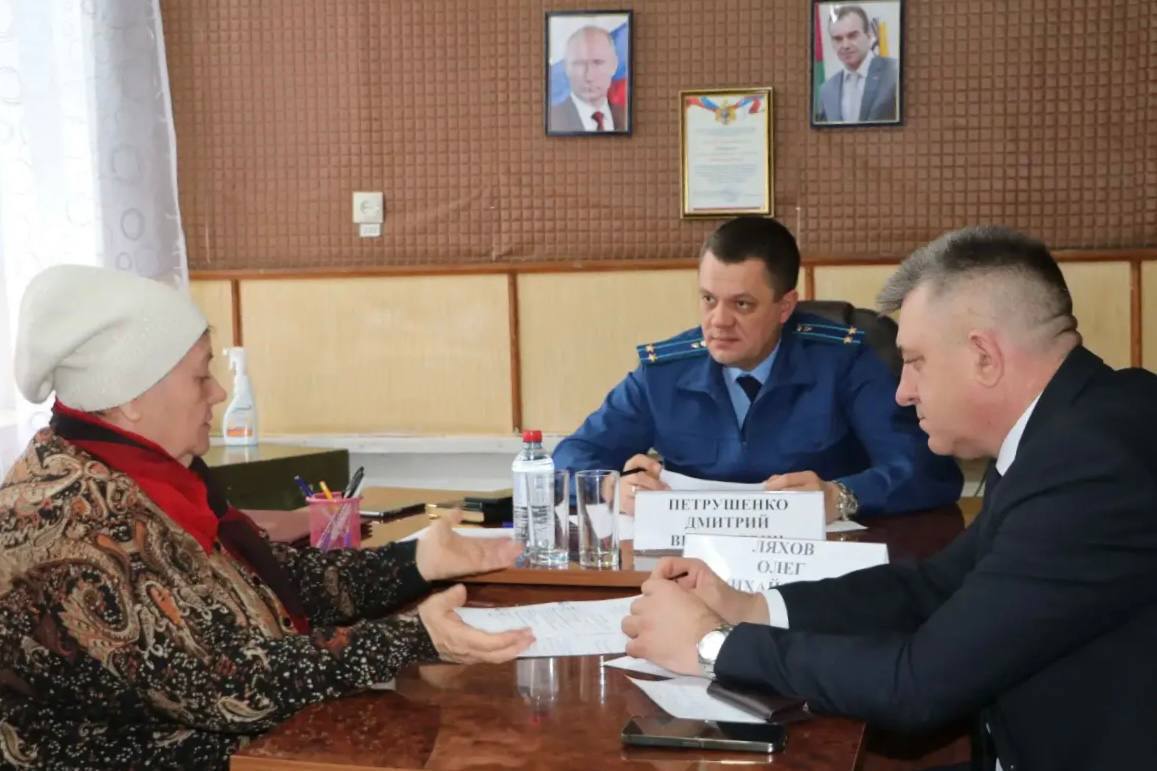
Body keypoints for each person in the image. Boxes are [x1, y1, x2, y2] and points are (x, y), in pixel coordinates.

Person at [622, 226, 1157, 771]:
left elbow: (917, 683)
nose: (903, 392)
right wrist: (752, 607)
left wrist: (714, 646)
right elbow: (934, 586)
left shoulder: (1095, 468)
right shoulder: (1072, 429)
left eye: (916, 361)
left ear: (984, 356)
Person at [0, 266, 534, 769]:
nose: (218, 392)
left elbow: (270, 587)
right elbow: (216, 683)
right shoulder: (72, 517)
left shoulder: (147, 475)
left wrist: (414, 561)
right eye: (200, 376)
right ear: (130, 397)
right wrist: (411, 638)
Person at [552, 216, 962, 522]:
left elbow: (927, 471)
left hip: (816, 568)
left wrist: (840, 496)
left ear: (785, 307)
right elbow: (569, 457)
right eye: (709, 299)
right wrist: (610, 487)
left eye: (742, 304)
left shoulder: (844, 362)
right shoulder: (664, 373)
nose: (718, 322)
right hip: (692, 564)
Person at [815, 5, 899, 124]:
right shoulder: (826, 89)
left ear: (869, 35)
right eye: (838, 39)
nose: (845, 45)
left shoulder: (895, 73)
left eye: (852, 35)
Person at [548, 25, 626, 132]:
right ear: (566, 68)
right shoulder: (553, 119)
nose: (589, 76)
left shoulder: (626, 116)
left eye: (598, 63)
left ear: (614, 65)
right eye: (579, 64)